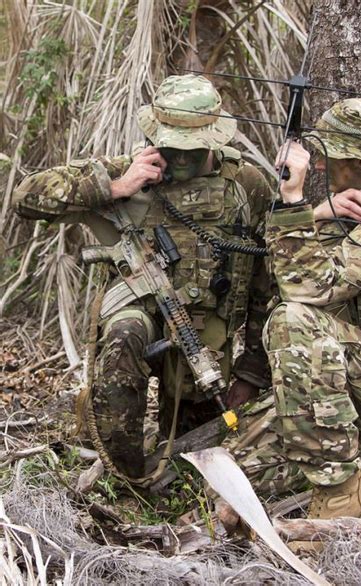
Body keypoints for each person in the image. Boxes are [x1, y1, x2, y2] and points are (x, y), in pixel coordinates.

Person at [12, 74, 272, 479]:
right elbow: (26, 196)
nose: (181, 159)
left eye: (192, 148)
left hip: (203, 340)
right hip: (140, 316)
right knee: (124, 336)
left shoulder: (246, 185)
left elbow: (265, 281)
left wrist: (252, 370)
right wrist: (115, 186)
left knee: (194, 457)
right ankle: (126, 480)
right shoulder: (131, 172)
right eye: (172, 147)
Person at [222, 98, 361, 519]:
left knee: (292, 322)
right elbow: (280, 265)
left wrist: (292, 199)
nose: (320, 166)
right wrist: (317, 213)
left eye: (329, 156)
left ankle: (342, 490)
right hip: (346, 377)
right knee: (237, 466)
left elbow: (304, 289)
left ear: (358, 160)